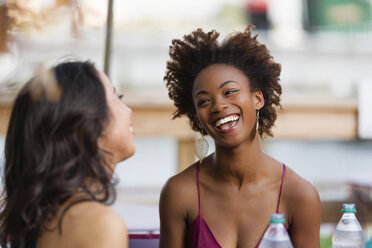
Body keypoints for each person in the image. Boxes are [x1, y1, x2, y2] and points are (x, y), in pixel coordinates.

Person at [160, 26, 321, 247]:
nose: (219, 106)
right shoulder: (179, 193)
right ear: (197, 119)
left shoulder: (300, 195)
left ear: (258, 99)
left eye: (229, 92)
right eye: (204, 101)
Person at [0, 61, 135, 248]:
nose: (129, 110)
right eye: (117, 97)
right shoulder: (98, 224)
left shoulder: (44, 219)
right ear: (89, 125)